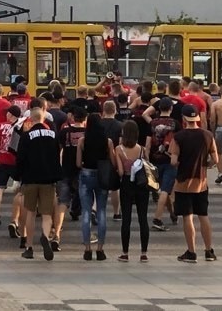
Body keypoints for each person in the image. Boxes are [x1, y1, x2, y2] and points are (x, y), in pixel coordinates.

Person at [170, 105, 219, 264]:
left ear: (184, 119)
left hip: (183, 183)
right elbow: (216, 160)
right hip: (202, 182)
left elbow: (173, 161)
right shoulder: (208, 135)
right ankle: (209, 250)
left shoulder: (178, 137)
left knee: (187, 217)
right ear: (197, 118)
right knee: (203, 216)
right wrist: (206, 164)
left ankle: (191, 252)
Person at [16, 108, 62, 261]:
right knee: (47, 213)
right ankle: (45, 236)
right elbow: (57, 155)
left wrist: (19, 176)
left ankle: (29, 247)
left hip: (30, 179)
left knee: (30, 212)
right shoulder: (54, 135)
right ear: (44, 119)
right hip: (48, 179)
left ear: (31, 119)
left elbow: (20, 158)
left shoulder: (27, 136)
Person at [76, 113, 115, 261]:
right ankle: (100, 249)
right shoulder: (108, 141)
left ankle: (87, 249)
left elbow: (78, 163)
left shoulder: (82, 141)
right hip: (102, 176)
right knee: (102, 211)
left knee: (86, 211)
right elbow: (112, 160)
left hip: (86, 175)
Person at [115, 120, 150, 262]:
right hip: (141, 186)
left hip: (127, 185)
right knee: (143, 219)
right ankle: (143, 253)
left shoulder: (118, 149)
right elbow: (147, 166)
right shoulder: (142, 149)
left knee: (126, 219)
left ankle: (125, 253)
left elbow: (121, 172)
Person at [149, 97, 179, 232]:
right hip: (169, 160)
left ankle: (172, 213)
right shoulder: (175, 123)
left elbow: (148, 142)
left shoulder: (153, 123)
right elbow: (178, 142)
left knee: (164, 189)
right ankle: (158, 218)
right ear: (171, 109)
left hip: (155, 159)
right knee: (165, 190)